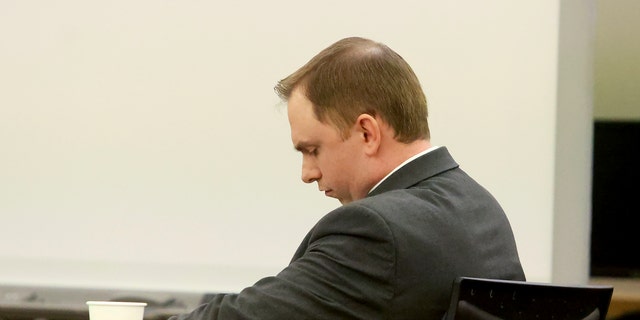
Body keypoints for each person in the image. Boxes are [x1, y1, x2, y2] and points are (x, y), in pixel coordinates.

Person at [169, 37, 525, 320]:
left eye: (312, 150)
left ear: (367, 133)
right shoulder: (480, 207)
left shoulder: (377, 231)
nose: (308, 174)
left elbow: (249, 316)